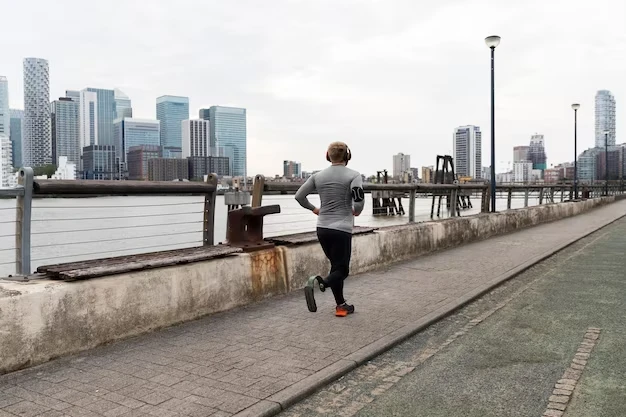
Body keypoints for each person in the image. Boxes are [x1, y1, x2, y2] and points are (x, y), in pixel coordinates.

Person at [295, 142, 365, 317]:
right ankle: (320, 284)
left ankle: (341, 306)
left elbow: (299, 196)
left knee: (336, 267)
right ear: (347, 156)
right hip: (341, 229)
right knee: (342, 270)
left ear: (328, 155)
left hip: (322, 228)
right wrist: (356, 211)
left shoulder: (317, 176)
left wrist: (314, 209)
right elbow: (359, 201)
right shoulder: (354, 175)